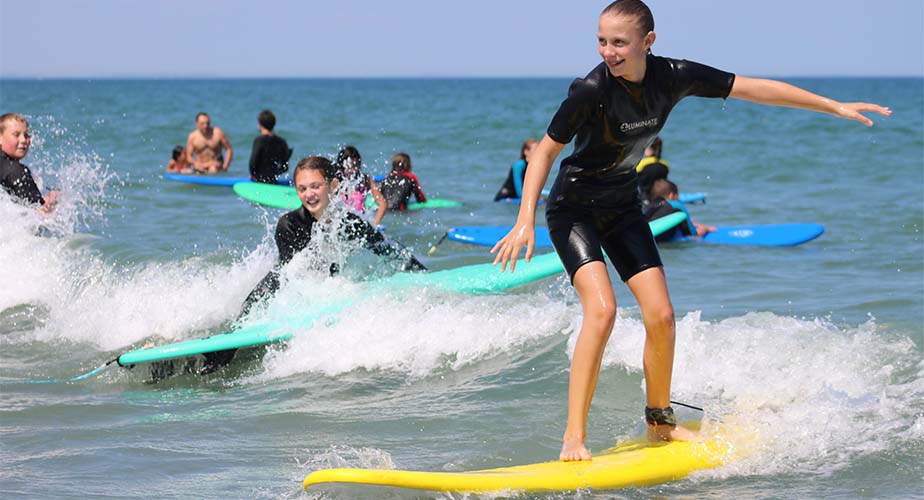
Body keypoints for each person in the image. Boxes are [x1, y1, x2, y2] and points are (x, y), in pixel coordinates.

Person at [491, 0, 890, 462]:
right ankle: (573, 439)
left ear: (648, 42)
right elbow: (544, 152)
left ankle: (660, 424)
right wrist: (525, 220)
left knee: (661, 316)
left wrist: (832, 105)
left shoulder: (673, 76)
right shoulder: (590, 90)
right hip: (573, 207)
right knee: (601, 313)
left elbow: (753, 88)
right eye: (601, 41)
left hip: (622, 204)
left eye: (619, 42)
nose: (609, 52)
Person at [0, 113, 59, 213]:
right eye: (16, 135)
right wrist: (53, 199)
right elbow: (39, 213)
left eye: (27, 135)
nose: (24, 140)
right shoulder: (16, 171)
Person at [645, 179, 713, 242]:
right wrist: (705, 229)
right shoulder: (676, 205)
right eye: (677, 195)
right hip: (659, 240)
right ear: (671, 195)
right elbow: (692, 234)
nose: (679, 198)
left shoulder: (648, 204)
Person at [334, 146, 387, 227]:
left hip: (360, 224)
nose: (353, 171)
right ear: (341, 166)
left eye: (355, 166)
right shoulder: (337, 182)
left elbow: (382, 203)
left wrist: (375, 223)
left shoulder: (365, 180)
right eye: (348, 167)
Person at [248, 109, 293, 184]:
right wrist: (275, 173)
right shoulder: (281, 142)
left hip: (259, 181)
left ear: (260, 125)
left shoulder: (259, 140)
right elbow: (285, 167)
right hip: (273, 181)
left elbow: (253, 163)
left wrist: (253, 175)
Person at [635, 135, 669, 204]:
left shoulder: (640, 164)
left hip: (643, 197)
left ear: (648, 148)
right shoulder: (665, 164)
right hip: (660, 197)